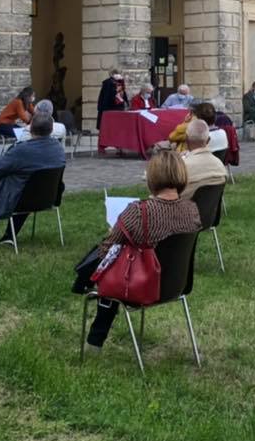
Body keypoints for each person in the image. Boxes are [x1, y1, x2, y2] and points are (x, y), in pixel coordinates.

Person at [75, 151, 201, 352]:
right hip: (176, 284)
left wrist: (118, 231)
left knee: (112, 262)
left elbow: (107, 249)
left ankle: (94, 339)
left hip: (143, 285)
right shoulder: (192, 210)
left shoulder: (139, 211)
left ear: (151, 176)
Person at [0, 111, 66, 243]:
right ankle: (9, 237)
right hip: (48, 197)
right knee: (29, 186)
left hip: (21, 198)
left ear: (31, 128)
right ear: (51, 129)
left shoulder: (23, 149)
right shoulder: (58, 148)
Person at [179, 118, 229, 206]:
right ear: (208, 140)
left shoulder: (181, 166)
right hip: (209, 217)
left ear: (186, 139)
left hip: (183, 216)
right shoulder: (220, 166)